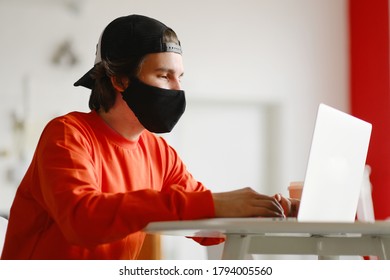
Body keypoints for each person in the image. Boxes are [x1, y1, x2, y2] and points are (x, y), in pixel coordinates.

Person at [1, 14, 299, 260]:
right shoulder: (67, 134)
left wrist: (275, 208)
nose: (177, 89)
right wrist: (213, 203)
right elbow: (83, 220)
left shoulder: (159, 152)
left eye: (180, 77)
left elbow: (207, 225)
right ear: (119, 80)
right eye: (164, 75)